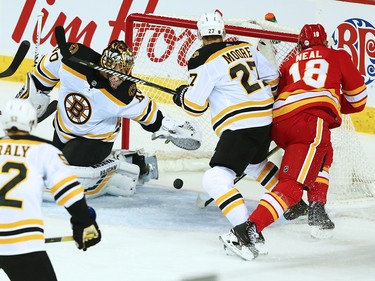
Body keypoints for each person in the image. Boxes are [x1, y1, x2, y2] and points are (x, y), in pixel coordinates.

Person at [221, 23, 368, 260]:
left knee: (324, 151)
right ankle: (247, 231)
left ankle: (317, 208)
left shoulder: (289, 63)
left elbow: (276, 91)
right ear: (327, 42)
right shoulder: (337, 55)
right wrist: (334, 101)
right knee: (291, 186)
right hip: (309, 123)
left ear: (300, 45)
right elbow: (359, 99)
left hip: (278, 122)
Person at [16, 36, 200, 199]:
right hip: (63, 131)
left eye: (122, 74)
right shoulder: (71, 60)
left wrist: (176, 130)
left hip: (96, 141)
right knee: (49, 164)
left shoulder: (125, 95)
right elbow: (41, 79)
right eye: (113, 74)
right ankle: (128, 159)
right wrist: (32, 100)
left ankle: (129, 165)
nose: (117, 80)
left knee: (62, 175)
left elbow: (154, 119)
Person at [172, 10, 280, 239]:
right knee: (254, 162)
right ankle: (293, 202)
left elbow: (195, 105)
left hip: (240, 126)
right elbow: (274, 78)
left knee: (215, 179)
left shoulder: (202, 58)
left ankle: (246, 232)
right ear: (223, 32)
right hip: (266, 121)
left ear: (200, 34)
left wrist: (181, 95)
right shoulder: (245, 47)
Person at [0, 98, 101, 281]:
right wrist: (85, 223)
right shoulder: (45, 151)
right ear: (32, 122)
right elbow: (70, 194)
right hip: (21, 243)